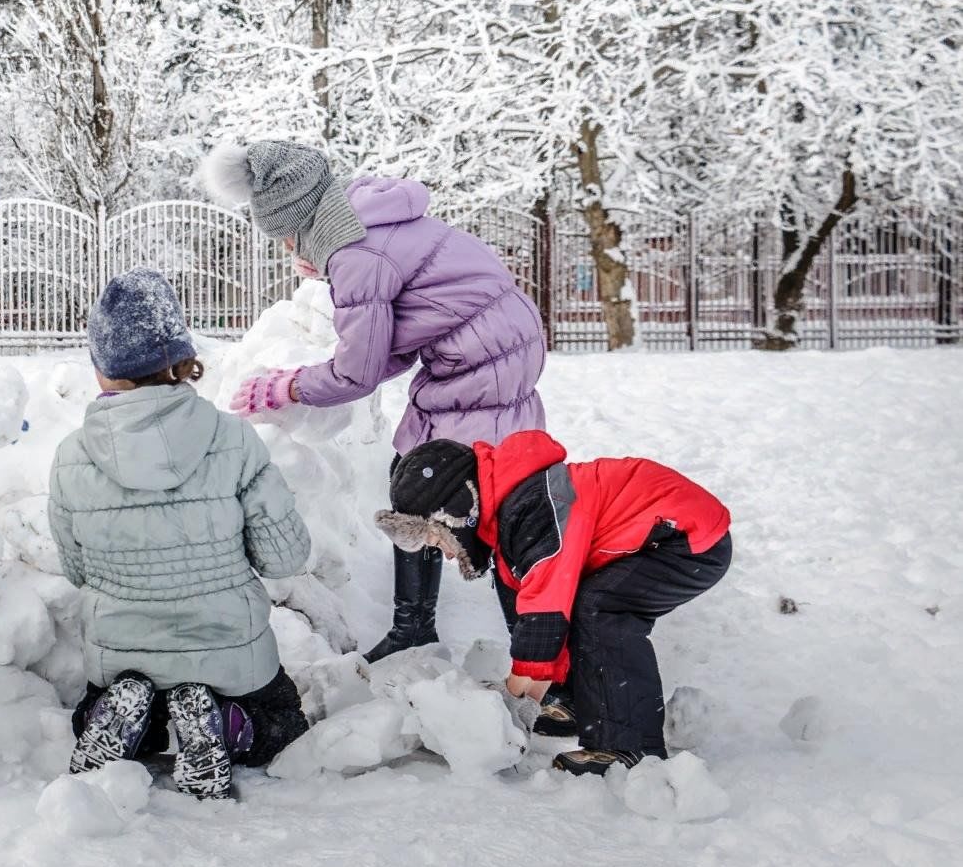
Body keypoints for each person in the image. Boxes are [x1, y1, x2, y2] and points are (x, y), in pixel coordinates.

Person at [201, 141, 547, 662]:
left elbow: (358, 372)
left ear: (297, 221)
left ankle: (528, 649)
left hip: (482, 365)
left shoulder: (354, 253)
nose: (290, 254)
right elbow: (393, 347)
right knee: (432, 477)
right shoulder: (368, 221)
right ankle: (431, 628)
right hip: (499, 351)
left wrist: (287, 386)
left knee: (477, 495)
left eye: (285, 239)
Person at [47, 268, 312, 800]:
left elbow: (75, 568)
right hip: (232, 653)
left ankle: (128, 714)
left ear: (101, 369)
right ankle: (229, 723)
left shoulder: (72, 455)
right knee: (284, 723)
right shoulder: (234, 439)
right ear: (179, 359)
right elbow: (286, 557)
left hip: (123, 651)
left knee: (87, 717)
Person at [373, 429, 733, 775]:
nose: (448, 555)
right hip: (669, 534)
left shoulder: (533, 508)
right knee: (586, 604)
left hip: (686, 537)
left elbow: (545, 613)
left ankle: (630, 747)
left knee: (601, 607)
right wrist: (532, 693)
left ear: (457, 510)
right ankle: (582, 707)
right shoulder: (516, 511)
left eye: (440, 540)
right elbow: (544, 615)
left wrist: (510, 703)